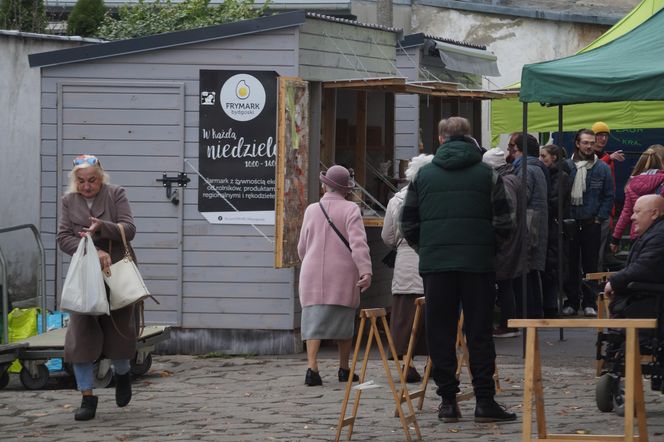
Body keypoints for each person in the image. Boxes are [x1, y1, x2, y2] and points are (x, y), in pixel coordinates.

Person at [400, 117, 516, 423]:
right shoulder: (487, 174)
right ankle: (484, 401)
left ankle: (448, 401)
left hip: (436, 265)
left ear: (440, 139)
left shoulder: (423, 177)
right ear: (470, 138)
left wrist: (427, 249)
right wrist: (488, 248)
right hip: (478, 265)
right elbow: (506, 221)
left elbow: (407, 223)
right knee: (479, 332)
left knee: (440, 332)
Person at [57, 155, 138, 421]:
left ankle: (123, 374)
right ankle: (87, 397)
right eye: (81, 181)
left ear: (101, 178)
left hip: (116, 271)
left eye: (92, 180)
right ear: (75, 181)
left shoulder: (116, 194)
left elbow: (130, 228)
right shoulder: (68, 201)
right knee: (80, 334)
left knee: (119, 331)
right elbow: (63, 238)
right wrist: (92, 250)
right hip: (85, 275)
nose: (87, 186)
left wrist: (103, 227)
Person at [297, 165, 372, 386]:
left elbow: (302, 245)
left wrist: (309, 259)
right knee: (343, 319)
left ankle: (312, 368)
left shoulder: (312, 209)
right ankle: (344, 368)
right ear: (346, 189)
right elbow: (358, 245)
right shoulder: (351, 209)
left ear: (325, 185)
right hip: (342, 272)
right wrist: (365, 271)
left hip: (312, 270)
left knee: (312, 319)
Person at [381, 154, 433, 382]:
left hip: (405, 262)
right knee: (433, 316)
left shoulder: (397, 200)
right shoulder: (435, 197)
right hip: (433, 262)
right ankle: (434, 362)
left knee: (403, 316)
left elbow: (387, 236)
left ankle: (407, 363)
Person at [562, 129, 614, 317]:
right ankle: (572, 301)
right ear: (577, 143)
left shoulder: (602, 168)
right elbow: (560, 193)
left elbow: (608, 196)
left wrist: (600, 217)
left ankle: (589, 301)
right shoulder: (567, 166)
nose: (589, 146)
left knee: (591, 265)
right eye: (585, 142)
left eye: (592, 142)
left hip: (592, 221)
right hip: (571, 222)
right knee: (570, 264)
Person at [482, 148, 525, 338]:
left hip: (506, 240)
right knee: (506, 282)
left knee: (503, 282)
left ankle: (507, 324)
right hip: (513, 238)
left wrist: (497, 236)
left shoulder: (504, 182)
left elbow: (508, 213)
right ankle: (508, 322)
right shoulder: (513, 177)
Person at [604, 194, 664, 327]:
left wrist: (614, 282)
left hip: (648, 312)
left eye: (637, 212)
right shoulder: (652, 233)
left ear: (654, 213)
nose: (632, 217)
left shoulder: (659, 235)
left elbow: (644, 267)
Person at [511, 134, 549, 319]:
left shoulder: (525, 169)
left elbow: (521, 198)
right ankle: (535, 312)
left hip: (528, 226)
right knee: (533, 272)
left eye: (514, 149)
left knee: (525, 271)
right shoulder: (538, 168)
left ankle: (527, 314)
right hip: (537, 225)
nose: (512, 154)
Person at [610, 145, 664, 252]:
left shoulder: (632, 184)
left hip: (637, 235)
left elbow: (626, 214)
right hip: (659, 235)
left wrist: (615, 239)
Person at [539, 144, 572, 318]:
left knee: (552, 265)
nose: (541, 159)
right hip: (552, 225)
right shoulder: (552, 175)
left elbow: (554, 203)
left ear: (554, 157)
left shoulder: (561, 176)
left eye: (544, 156)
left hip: (555, 227)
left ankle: (551, 306)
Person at [591, 122, 625, 271]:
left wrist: (611, 212)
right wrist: (609, 158)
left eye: (605, 135)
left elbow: (610, 187)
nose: (603, 139)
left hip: (606, 212)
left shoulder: (605, 156)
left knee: (602, 252)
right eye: (599, 135)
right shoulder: (594, 156)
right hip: (592, 213)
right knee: (594, 254)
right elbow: (591, 169)